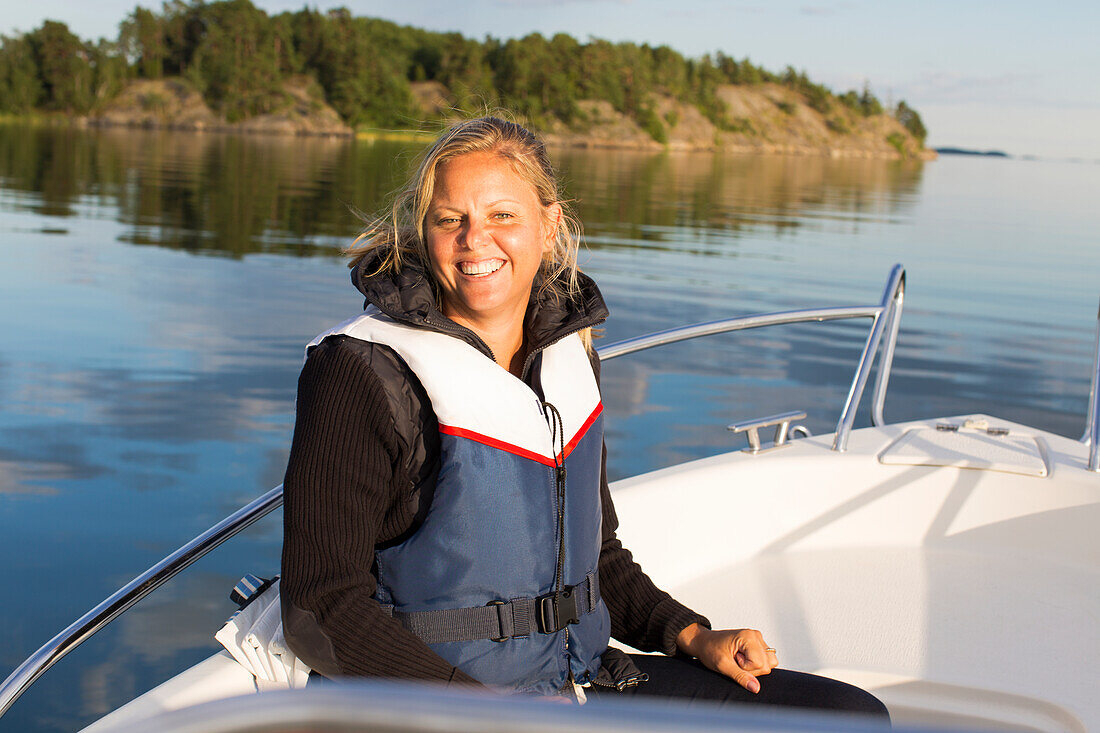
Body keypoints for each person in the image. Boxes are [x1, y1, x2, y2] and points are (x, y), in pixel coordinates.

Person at [280, 115, 889, 720]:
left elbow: (599, 560)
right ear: (424, 231)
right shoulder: (358, 371)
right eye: (450, 220)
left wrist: (694, 637)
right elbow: (323, 607)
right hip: (437, 708)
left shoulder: (571, 355)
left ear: (549, 224)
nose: (474, 241)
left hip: (583, 681)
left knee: (849, 716)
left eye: (502, 216)